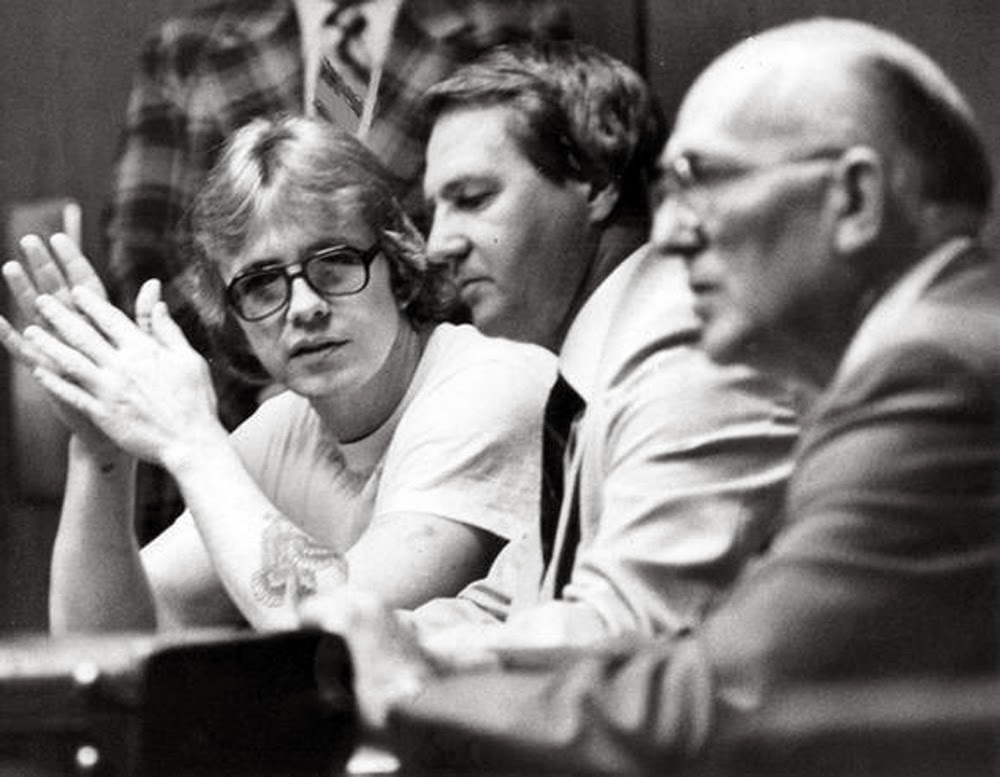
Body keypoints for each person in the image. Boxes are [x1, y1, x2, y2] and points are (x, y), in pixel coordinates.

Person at [301, 17, 1000, 773]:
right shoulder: (931, 349)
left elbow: (716, 696)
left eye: (706, 181)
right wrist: (405, 647)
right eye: (667, 191)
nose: (669, 231)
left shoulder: (931, 375)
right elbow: (544, 596)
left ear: (856, 197)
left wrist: (410, 690)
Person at [0, 115, 554, 633]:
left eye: (334, 264)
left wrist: (191, 439)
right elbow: (105, 640)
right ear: (234, 318)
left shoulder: (490, 386)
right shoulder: (283, 430)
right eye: (262, 284)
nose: (305, 307)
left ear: (398, 264)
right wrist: (99, 451)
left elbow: (338, 632)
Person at [362, 41, 799, 661]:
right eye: (437, 210)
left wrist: (410, 654)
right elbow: (524, 596)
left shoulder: (693, 347)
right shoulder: (600, 362)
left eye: (473, 199)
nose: (437, 246)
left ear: (596, 183)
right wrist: (366, 638)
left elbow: (628, 633)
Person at [105, 0, 570, 537]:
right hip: (243, 420)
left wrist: (393, 378)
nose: (305, 305)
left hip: (444, 413)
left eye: (334, 263)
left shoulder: (508, 25)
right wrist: (275, 381)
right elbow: (145, 260)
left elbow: (535, 245)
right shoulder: (186, 49)